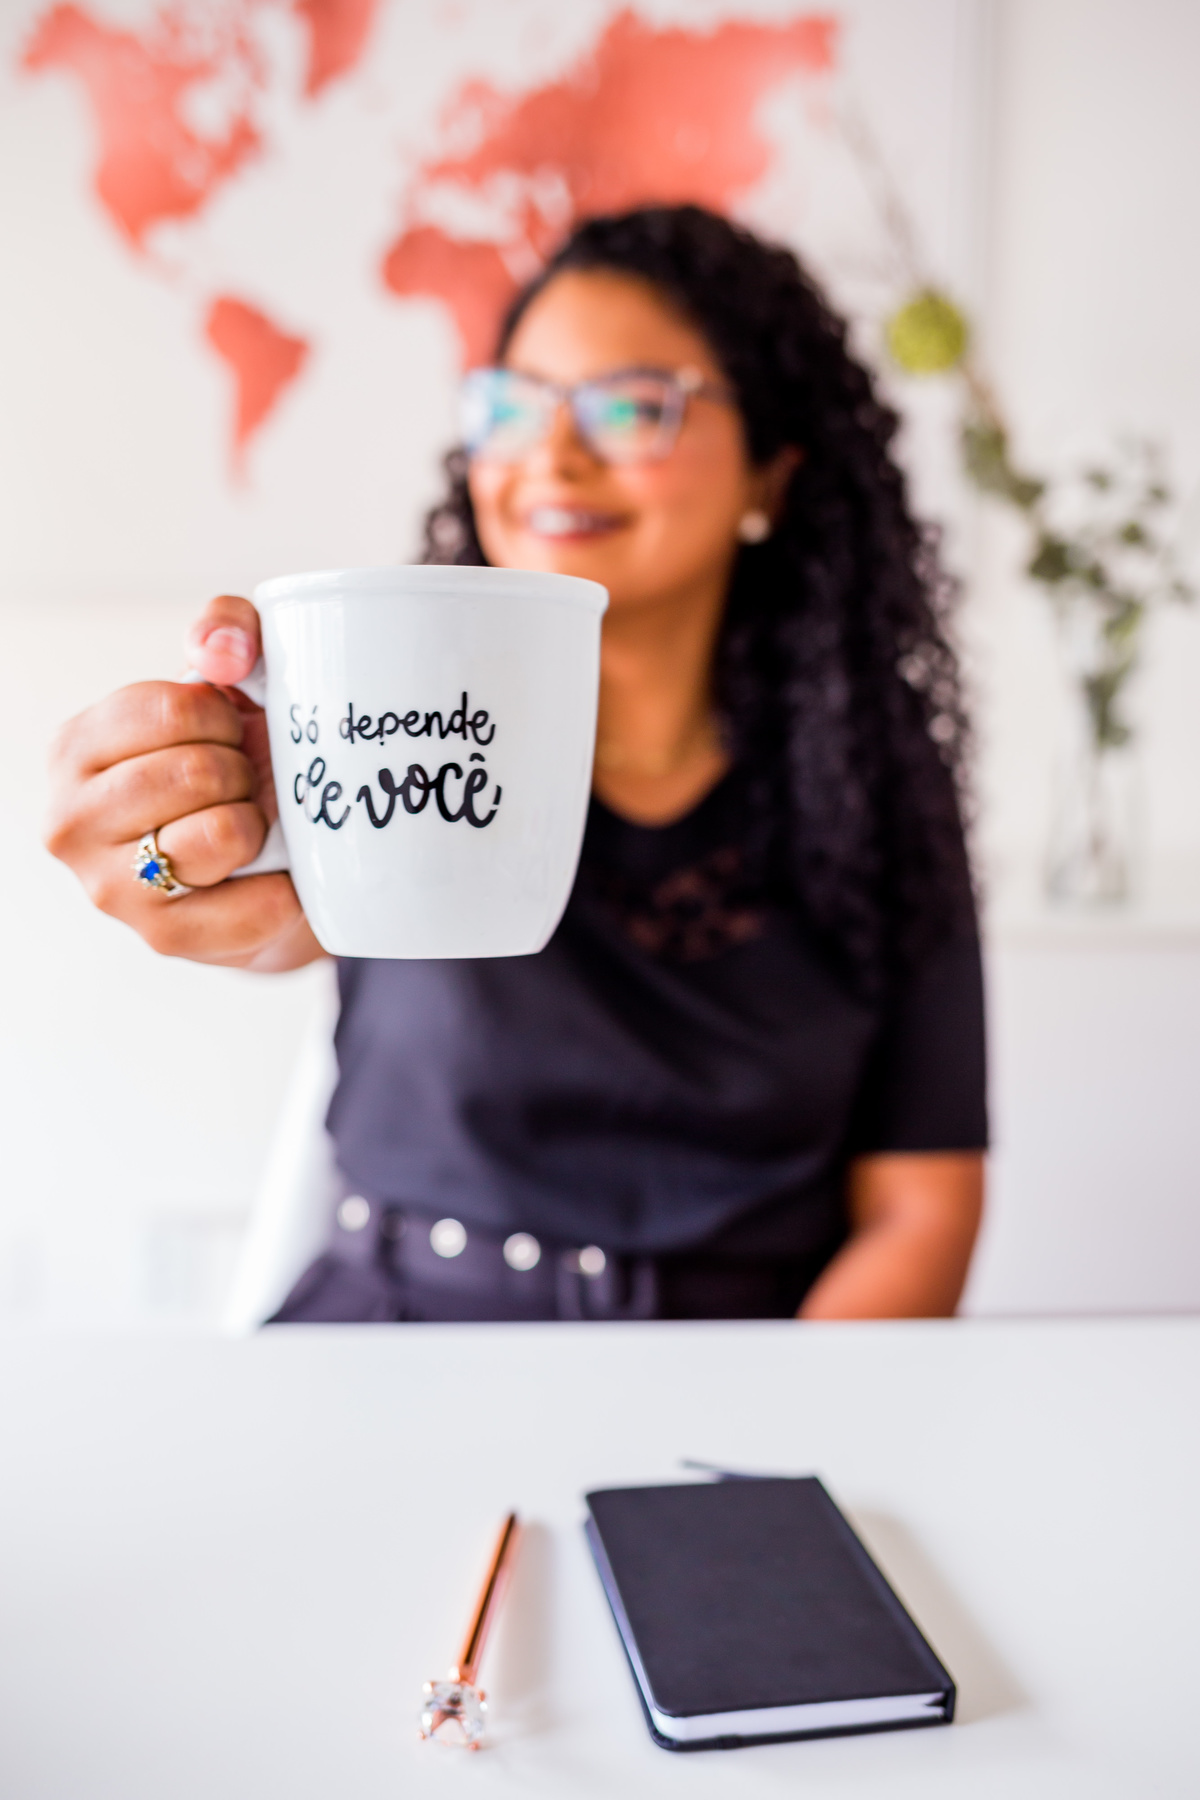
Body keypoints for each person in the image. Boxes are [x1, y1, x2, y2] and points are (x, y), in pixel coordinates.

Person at [46, 205, 986, 1324]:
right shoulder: (393, 716)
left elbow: (921, 1210)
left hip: (743, 1366)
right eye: (514, 407)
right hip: (394, 1341)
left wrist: (776, 1416)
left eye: (631, 406)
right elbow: (286, 924)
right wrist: (181, 853)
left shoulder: (875, 788)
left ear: (768, 480)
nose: (552, 456)